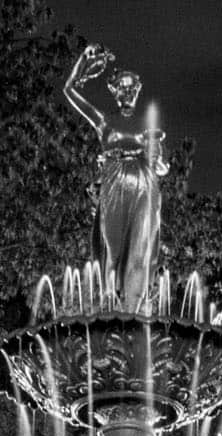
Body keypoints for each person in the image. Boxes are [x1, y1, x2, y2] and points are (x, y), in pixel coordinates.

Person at [64, 45, 169, 310]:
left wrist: (156, 154)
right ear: (113, 91)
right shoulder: (103, 121)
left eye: (132, 88)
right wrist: (83, 67)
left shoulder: (148, 123)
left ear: (138, 90)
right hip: (113, 182)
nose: (127, 92)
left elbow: (163, 167)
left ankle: (134, 308)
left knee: (141, 246)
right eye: (122, 88)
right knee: (111, 245)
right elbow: (69, 91)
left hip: (145, 185)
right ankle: (110, 305)